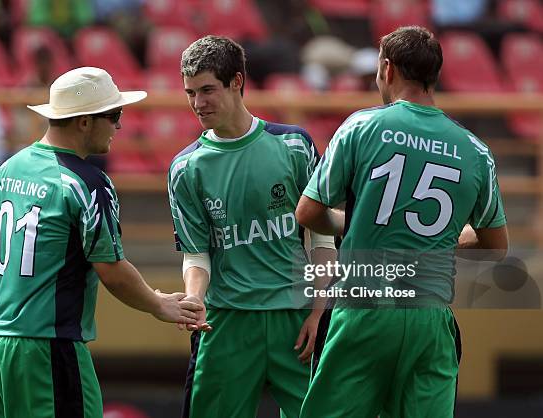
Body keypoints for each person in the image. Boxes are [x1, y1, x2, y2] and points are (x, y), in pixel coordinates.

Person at [296, 26, 508, 417]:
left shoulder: (361, 126)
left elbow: (307, 214)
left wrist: (357, 223)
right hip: (431, 316)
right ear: (434, 76)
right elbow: (496, 245)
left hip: (364, 309)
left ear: (387, 69)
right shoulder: (476, 151)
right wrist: (444, 241)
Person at [0, 67, 203, 418]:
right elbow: (110, 269)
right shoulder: (88, 182)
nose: (120, 126)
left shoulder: (9, 169)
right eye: (114, 116)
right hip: (48, 349)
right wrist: (158, 306)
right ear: (84, 122)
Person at [167, 35, 337, 418]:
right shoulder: (186, 168)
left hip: (296, 319)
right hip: (225, 322)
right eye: (190, 93)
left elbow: (323, 238)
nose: (198, 103)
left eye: (208, 89)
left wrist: (319, 311)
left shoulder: (294, 145)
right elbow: (197, 253)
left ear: (238, 82)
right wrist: (194, 298)